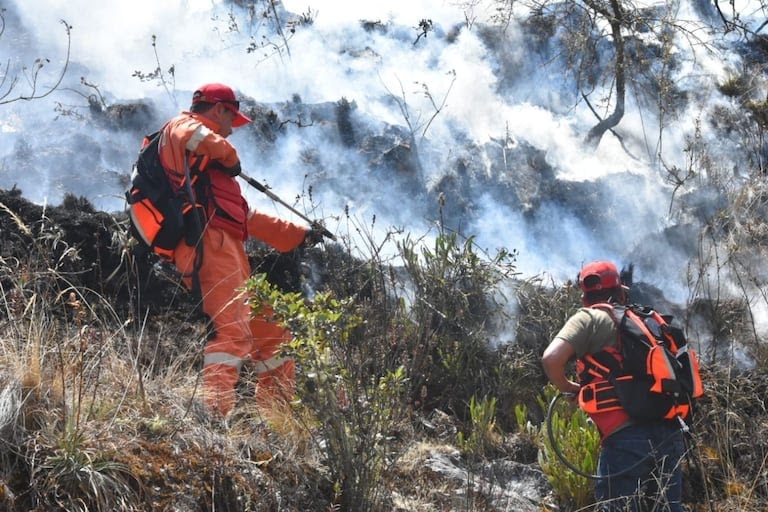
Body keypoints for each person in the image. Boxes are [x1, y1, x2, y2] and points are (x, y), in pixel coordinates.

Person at [157, 82, 323, 418]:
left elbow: (247, 218)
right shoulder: (184, 127)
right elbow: (192, 134)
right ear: (219, 110)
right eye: (233, 120)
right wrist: (229, 157)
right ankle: (213, 419)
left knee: (274, 333)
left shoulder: (212, 172)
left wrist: (299, 235)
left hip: (228, 254)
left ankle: (278, 421)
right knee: (231, 331)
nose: (234, 131)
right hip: (205, 246)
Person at [541, 260, 686, 512]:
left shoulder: (590, 317)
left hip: (625, 438)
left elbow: (551, 359)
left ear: (585, 294)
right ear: (620, 289)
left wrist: (568, 388)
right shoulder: (647, 321)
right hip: (670, 432)